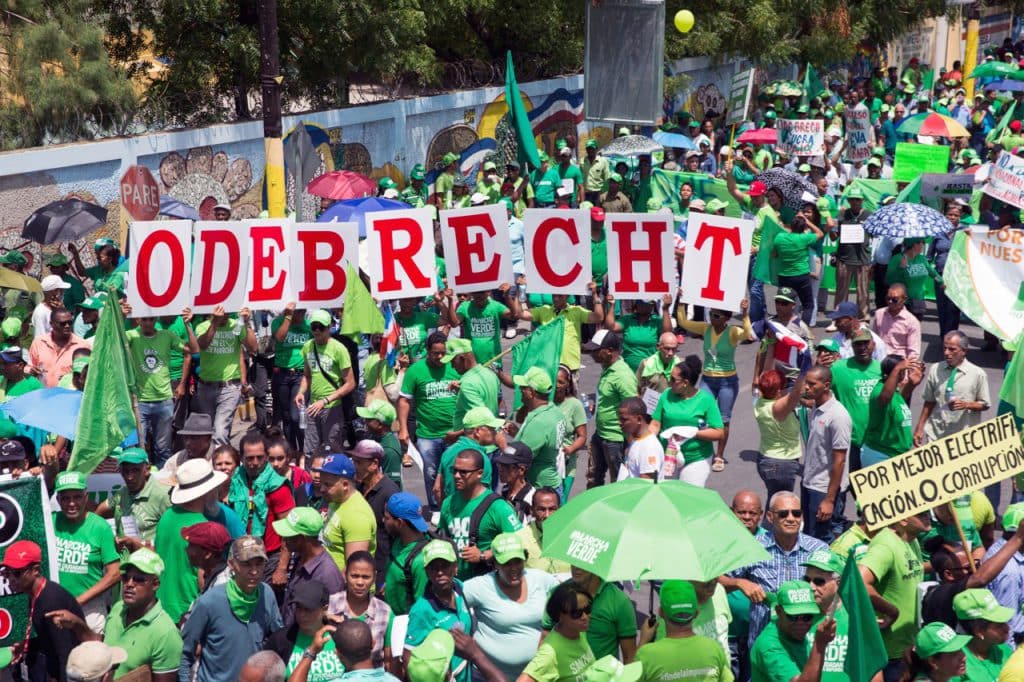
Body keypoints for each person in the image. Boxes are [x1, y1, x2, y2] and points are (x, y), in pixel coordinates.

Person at [49, 547, 184, 682]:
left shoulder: (166, 634)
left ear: (155, 584)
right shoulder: (119, 608)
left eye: (138, 579)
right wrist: (77, 624)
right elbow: (104, 646)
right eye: (125, 577)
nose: (129, 584)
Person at [724, 491, 827, 649]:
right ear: (770, 517)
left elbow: (837, 587)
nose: (791, 518)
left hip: (807, 645)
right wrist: (739, 582)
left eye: (796, 513)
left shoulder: (819, 549)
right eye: (783, 514)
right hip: (765, 645)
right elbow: (717, 579)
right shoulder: (752, 548)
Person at [179, 536, 283, 682]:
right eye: (246, 564)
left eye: (259, 564)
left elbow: (278, 639)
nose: (254, 571)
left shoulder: (267, 594)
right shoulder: (209, 601)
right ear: (231, 564)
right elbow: (185, 653)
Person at [463, 532, 560, 679]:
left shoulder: (542, 580)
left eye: (517, 561)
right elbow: (449, 600)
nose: (513, 568)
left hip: (537, 674)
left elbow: (567, 602)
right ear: (495, 563)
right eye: (506, 563)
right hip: (489, 676)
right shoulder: (480, 586)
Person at [774, 369, 852, 543]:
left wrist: (829, 500)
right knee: (809, 536)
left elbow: (840, 461)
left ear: (826, 386)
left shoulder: (838, 416)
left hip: (824, 490)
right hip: (810, 483)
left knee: (823, 541)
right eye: (806, 383)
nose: (806, 387)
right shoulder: (817, 405)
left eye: (811, 384)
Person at [675, 298, 752, 471]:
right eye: (710, 314)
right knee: (700, 415)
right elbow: (683, 322)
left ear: (726, 318)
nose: (711, 317)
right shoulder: (705, 328)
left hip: (727, 382)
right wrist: (680, 302)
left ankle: (719, 455)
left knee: (723, 420)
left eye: (716, 315)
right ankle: (701, 451)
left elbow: (747, 334)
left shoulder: (732, 331)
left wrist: (745, 313)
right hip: (708, 380)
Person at [154, 458, 227, 625]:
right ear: (206, 492)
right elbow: (202, 576)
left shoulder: (166, 516)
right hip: (188, 608)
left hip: (162, 606)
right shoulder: (203, 528)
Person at [859, 510, 931, 681]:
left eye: (928, 512)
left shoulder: (911, 540)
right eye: (921, 514)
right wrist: (892, 612)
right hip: (888, 655)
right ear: (904, 519)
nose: (928, 516)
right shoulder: (886, 546)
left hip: (907, 647)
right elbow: (859, 581)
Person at [3, 540, 83, 681]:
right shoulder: (35, 593)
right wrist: (27, 646)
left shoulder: (50, 601)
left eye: (16, 573)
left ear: (36, 570)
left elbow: (66, 653)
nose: (10, 579)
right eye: (6, 573)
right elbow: (50, 637)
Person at [52, 471, 121, 634]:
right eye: (65, 498)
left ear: (86, 497)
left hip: (90, 609)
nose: (71, 503)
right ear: (57, 500)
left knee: (92, 658)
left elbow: (115, 573)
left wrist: (78, 601)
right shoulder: (51, 521)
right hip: (55, 606)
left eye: (76, 497)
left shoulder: (100, 527)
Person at [397, 331, 460, 511]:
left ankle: (453, 507)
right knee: (431, 472)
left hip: (454, 433)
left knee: (453, 473)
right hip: (427, 434)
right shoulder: (415, 371)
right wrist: (403, 429)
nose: (440, 357)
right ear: (427, 351)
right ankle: (435, 508)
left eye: (443, 353)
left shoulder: (455, 367)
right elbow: (404, 400)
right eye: (435, 353)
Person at [126, 308, 196, 466]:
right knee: (139, 447)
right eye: (144, 319)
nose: (148, 323)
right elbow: (114, 342)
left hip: (164, 400)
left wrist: (188, 325)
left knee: (163, 448)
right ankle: (142, 480)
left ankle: (164, 486)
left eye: (151, 319)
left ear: (155, 319)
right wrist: (122, 315)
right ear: (138, 320)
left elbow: (192, 351)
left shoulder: (166, 335)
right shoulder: (132, 335)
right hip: (140, 401)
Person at [439, 448, 522, 580]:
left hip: (487, 583)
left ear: (479, 473)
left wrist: (484, 555)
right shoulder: (448, 503)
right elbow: (444, 539)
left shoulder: (498, 507)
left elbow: (520, 541)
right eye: (454, 471)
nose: (456, 476)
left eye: (463, 472)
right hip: (456, 584)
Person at [228, 431, 295, 584]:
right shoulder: (237, 480)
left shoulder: (277, 486)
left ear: (266, 456)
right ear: (242, 458)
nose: (255, 462)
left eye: (260, 457)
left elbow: (289, 530)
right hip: (240, 553)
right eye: (249, 458)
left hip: (269, 558)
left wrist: (282, 568)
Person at [648, 355, 725, 487]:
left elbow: (719, 433)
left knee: (687, 499)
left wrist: (693, 433)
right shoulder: (666, 395)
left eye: (673, 379)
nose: (669, 381)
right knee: (667, 497)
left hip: (696, 458)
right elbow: (655, 424)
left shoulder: (706, 400)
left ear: (685, 382)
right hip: (668, 457)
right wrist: (645, 442)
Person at [635, 580, 734, 682]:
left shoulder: (646, 655)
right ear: (696, 613)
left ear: (661, 613)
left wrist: (643, 640)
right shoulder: (715, 649)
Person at [404, 540, 475, 682]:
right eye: (433, 568)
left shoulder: (462, 590)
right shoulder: (421, 610)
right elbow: (408, 655)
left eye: (445, 566)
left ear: (455, 567)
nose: (440, 572)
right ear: (426, 572)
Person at [749, 580, 837, 682]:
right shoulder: (769, 647)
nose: (801, 623)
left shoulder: (786, 621)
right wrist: (819, 644)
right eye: (793, 616)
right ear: (779, 612)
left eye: (807, 617)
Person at [915, 330, 991, 446]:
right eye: (945, 348)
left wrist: (966, 405)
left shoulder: (978, 374)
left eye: (952, 349)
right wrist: (920, 428)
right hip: (936, 435)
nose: (946, 352)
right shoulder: (935, 369)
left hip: (964, 440)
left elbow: (985, 404)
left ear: (964, 351)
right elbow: (929, 401)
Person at [194, 305, 258, 444]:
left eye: (229, 311)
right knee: (208, 430)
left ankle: (220, 465)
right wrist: (215, 323)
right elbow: (203, 345)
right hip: (206, 386)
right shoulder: (202, 326)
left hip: (229, 387)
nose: (226, 314)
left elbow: (253, 348)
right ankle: (217, 458)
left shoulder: (237, 325)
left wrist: (246, 323)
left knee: (220, 430)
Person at [584, 329, 639, 488]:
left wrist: (630, 445)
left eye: (596, 350)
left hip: (615, 439)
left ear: (609, 351)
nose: (591, 353)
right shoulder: (607, 368)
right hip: (601, 434)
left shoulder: (623, 376)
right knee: (593, 479)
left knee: (618, 483)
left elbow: (633, 410)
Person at [273, 506, 345, 627]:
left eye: (289, 535)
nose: (284, 539)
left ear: (302, 538)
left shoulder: (328, 574)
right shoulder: (299, 557)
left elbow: (334, 619)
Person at [297, 309, 355, 455]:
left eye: (321, 327)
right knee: (310, 451)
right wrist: (301, 392)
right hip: (313, 405)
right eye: (313, 327)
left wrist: (325, 400)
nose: (317, 331)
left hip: (332, 406)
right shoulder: (308, 346)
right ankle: (312, 477)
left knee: (332, 450)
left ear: (329, 327)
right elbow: (307, 376)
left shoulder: (339, 349)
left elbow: (350, 383)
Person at [509, 283, 604, 373]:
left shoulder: (576, 311)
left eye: (560, 296)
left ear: (567, 297)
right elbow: (520, 314)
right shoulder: (544, 310)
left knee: (570, 391)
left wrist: (595, 294)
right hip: (547, 364)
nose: (556, 299)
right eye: (554, 295)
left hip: (570, 365)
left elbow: (598, 317)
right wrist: (518, 292)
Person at [518, 581, 596, 682]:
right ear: (559, 615)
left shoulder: (579, 631)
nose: (585, 617)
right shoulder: (550, 652)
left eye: (587, 609)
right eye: (576, 613)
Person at [327, 551, 394, 667]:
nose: (360, 582)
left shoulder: (385, 612)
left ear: (374, 577)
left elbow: (390, 661)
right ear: (345, 574)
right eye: (354, 576)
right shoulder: (329, 606)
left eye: (366, 577)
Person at [94, 446, 171, 543]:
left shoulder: (163, 495)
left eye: (135, 470)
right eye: (125, 471)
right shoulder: (123, 492)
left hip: (153, 554)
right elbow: (100, 510)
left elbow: (175, 530)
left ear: (147, 470)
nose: (129, 477)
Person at [349, 439, 400, 583]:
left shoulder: (390, 493)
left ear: (374, 464)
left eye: (359, 462)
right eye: (354, 461)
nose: (354, 467)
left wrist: (390, 576)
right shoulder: (358, 488)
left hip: (382, 572)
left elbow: (398, 538)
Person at [316, 453, 377, 572]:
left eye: (327, 484)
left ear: (345, 485)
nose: (322, 489)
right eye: (321, 483)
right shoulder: (336, 500)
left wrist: (338, 589)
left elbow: (354, 569)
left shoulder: (357, 516)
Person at [861, 355, 923, 468]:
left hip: (897, 455)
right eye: (902, 371)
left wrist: (912, 384)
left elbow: (898, 401)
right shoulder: (879, 391)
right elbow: (885, 399)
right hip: (881, 455)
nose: (904, 374)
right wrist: (897, 369)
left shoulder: (895, 393)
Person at [567, 564, 637, 662]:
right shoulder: (557, 595)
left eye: (582, 563)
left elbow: (629, 656)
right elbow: (546, 639)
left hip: (605, 676)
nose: (575, 567)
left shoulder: (619, 601)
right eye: (573, 561)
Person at [514, 366, 567, 490]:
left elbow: (517, 458)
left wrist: (500, 443)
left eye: (523, 388)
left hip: (539, 489)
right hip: (552, 482)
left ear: (531, 392)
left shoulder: (540, 422)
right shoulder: (555, 411)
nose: (520, 390)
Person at [753, 370, 802, 500]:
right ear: (779, 391)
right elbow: (797, 392)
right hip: (781, 464)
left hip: (765, 459)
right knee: (780, 507)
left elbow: (767, 369)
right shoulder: (778, 409)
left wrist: (772, 349)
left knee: (773, 502)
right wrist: (806, 367)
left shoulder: (759, 401)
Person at [270, 302, 311, 451]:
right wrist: (288, 317)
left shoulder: (309, 325)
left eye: (302, 312)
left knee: (296, 415)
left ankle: (303, 450)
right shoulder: (278, 322)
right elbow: (280, 338)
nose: (299, 315)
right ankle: (291, 449)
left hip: (301, 375)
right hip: (282, 374)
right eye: (297, 312)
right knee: (286, 416)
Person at [383, 491, 431, 615]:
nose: (383, 520)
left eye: (387, 518)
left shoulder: (421, 561)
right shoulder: (398, 541)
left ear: (399, 523)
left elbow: (422, 607)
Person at [442, 336, 500, 437]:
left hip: (477, 443)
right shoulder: (490, 374)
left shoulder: (467, 384)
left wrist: (456, 435)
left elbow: (481, 419)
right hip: (491, 438)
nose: (452, 366)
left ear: (462, 358)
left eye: (453, 361)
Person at [830, 186, 873, 319]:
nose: (855, 202)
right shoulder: (842, 214)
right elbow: (833, 236)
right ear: (848, 200)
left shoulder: (869, 215)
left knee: (863, 292)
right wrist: (832, 227)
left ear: (862, 201)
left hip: (862, 259)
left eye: (858, 200)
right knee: (841, 291)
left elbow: (874, 235)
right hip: (844, 259)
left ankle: (863, 317)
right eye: (852, 199)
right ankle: (839, 317)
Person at [604, 296, 673, 372]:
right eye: (641, 302)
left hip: (650, 369)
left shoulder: (657, 321)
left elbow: (668, 333)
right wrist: (612, 306)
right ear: (636, 304)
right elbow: (611, 327)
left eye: (647, 303)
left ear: (652, 306)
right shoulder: (627, 319)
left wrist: (665, 309)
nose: (644, 306)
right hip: (628, 368)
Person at [29, 307, 89, 388]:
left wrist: (70, 377)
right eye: (62, 323)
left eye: (70, 322)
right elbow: (29, 366)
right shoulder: (39, 342)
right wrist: (31, 370)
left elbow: (88, 374)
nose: (67, 326)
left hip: (69, 396)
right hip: (43, 394)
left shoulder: (83, 346)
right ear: (51, 324)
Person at [518, 487, 572, 575]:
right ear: (532, 511)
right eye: (541, 510)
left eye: (552, 509)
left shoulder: (573, 536)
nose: (547, 515)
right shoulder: (520, 539)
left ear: (560, 509)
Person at [554, 365, 588, 498]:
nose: (557, 385)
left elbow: (582, 436)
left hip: (566, 464)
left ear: (567, 383)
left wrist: (570, 449)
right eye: (554, 381)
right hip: (547, 464)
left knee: (560, 503)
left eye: (561, 382)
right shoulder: (544, 402)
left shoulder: (575, 405)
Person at [886, 238, 942, 318]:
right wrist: (901, 268)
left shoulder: (921, 259)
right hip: (902, 302)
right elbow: (888, 280)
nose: (923, 245)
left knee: (915, 327)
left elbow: (932, 273)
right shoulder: (897, 259)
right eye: (921, 243)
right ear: (913, 244)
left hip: (919, 301)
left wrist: (941, 282)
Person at [356, 399, 404, 489]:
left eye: (369, 419)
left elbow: (392, 486)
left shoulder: (389, 450)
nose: (365, 422)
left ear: (380, 424)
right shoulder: (373, 437)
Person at [905, 622, 970, 682]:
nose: (963, 657)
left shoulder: (950, 677)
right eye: (954, 654)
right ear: (933, 662)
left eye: (960, 649)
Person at [159, 412, 216, 481]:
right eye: (185, 438)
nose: (188, 443)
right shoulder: (177, 460)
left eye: (194, 438)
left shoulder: (222, 459)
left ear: (208, 438)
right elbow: (161, 479)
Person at [617, 397, 663, 480]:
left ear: (639, 419)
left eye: (624, 419)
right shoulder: (636, 441)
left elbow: (646, 485)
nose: (619, 423)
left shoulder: (649, 447)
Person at [872, 283, 921, 360]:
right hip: (879, 358)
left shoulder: (912, 322)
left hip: (899, 361)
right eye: (888, 298)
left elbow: (914, 352)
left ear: (904, 299)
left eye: (895, 300)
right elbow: (874, 339)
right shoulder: (879, 314)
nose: (890, 302)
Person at [496, 441, 536, 523]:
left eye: (507, 466)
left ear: (521, 470)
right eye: (500, 464)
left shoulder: (530, 500)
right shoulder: (503, 490)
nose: (501, 469)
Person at [635, 331, 680, 397]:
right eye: (667, 349)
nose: (671, 353)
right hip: (651, 404)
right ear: (658, 346)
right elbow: (637, 387)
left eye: (674, 349)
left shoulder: (680, 365)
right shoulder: (646, 364)